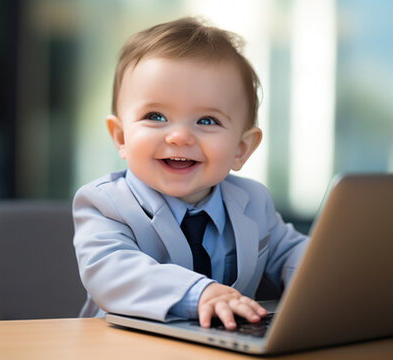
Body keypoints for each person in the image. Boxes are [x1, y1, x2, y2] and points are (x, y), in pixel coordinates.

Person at [72, 17, 308, 330]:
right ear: (120, 137)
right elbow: (112, 271)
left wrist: (330, 273)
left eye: (207, 121)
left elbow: (294, 252)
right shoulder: (105, 205)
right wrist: (198, 294)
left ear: (241, 148)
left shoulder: (253, 201)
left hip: (225, 344)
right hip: (124, 346)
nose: (180, 137)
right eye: (155, 116)